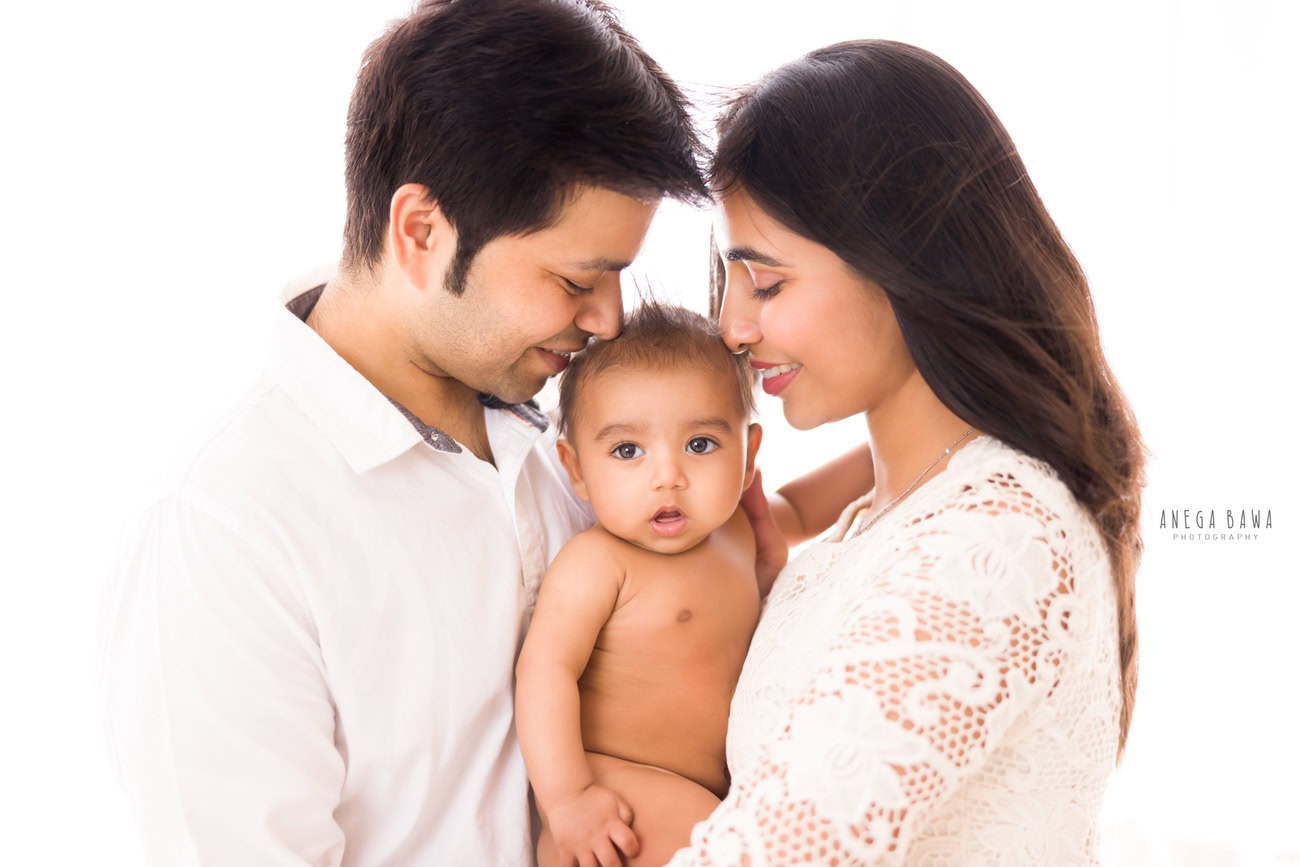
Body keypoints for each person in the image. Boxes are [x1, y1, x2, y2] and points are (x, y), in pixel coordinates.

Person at [96, 1, 710, 863]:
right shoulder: (225, 529)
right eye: (578, 279)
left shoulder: (578, 442)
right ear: (421, 230)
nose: (609, 319)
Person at [666, 40, 1148, 865]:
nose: (733, 328)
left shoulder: (999, 531)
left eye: (768, 283)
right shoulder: (886, 521)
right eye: (730, 281)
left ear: (904, 260)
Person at [517, 302, 871, 867]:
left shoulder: (736, 529)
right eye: (627, 451)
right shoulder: (599, 563)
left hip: (713, 787)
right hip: (622, 790)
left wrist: (900, 444)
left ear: (749, 454)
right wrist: (568, 798)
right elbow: (544, 672)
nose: (668, 477)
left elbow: (805, 507)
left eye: (700, 444)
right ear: (577, 469)